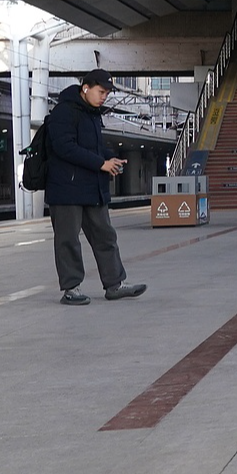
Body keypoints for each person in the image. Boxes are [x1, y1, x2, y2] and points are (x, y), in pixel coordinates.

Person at [45, 69, 146, 305]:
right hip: (66, 189)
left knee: (105, 235)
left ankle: (114, 284)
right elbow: (64, 147)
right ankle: (71, 288)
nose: (104, 97)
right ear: (86, 88)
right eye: (101, 92)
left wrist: (111, 158)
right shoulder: (63, 112)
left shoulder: (93, 115)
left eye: (107, 93)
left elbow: (94, 148)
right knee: (68, 239)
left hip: (92, 188)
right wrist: (101, 163)